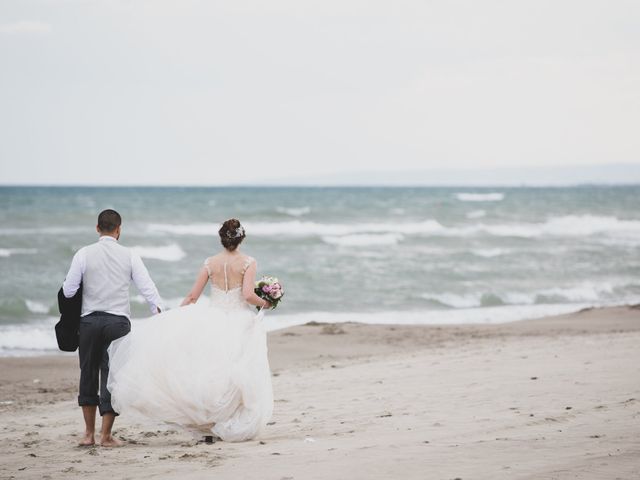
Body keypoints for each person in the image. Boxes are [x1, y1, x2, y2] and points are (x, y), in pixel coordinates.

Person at [107, 218, 274, 442]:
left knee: (212, 370)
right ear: (241, 238)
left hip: (213, 318)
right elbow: (247, 295)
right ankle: (229, 419)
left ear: (222, 238)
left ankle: (209, 421)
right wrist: (267, 303)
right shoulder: (248, 262)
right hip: (239, 320)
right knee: (236, 371)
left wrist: (170, 318)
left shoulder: (209, 263)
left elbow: (193, 296)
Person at [62, 209, 163, 447]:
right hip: (118, 323)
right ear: (119, 230)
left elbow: (68, 291)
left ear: (97, 229)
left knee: (88, 373)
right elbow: (148, 289)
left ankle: (88, 435)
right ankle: (106, 436)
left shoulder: (83, 254)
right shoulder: (129, 255)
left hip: (88, 322)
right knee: (112, 376)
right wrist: (159, 314)